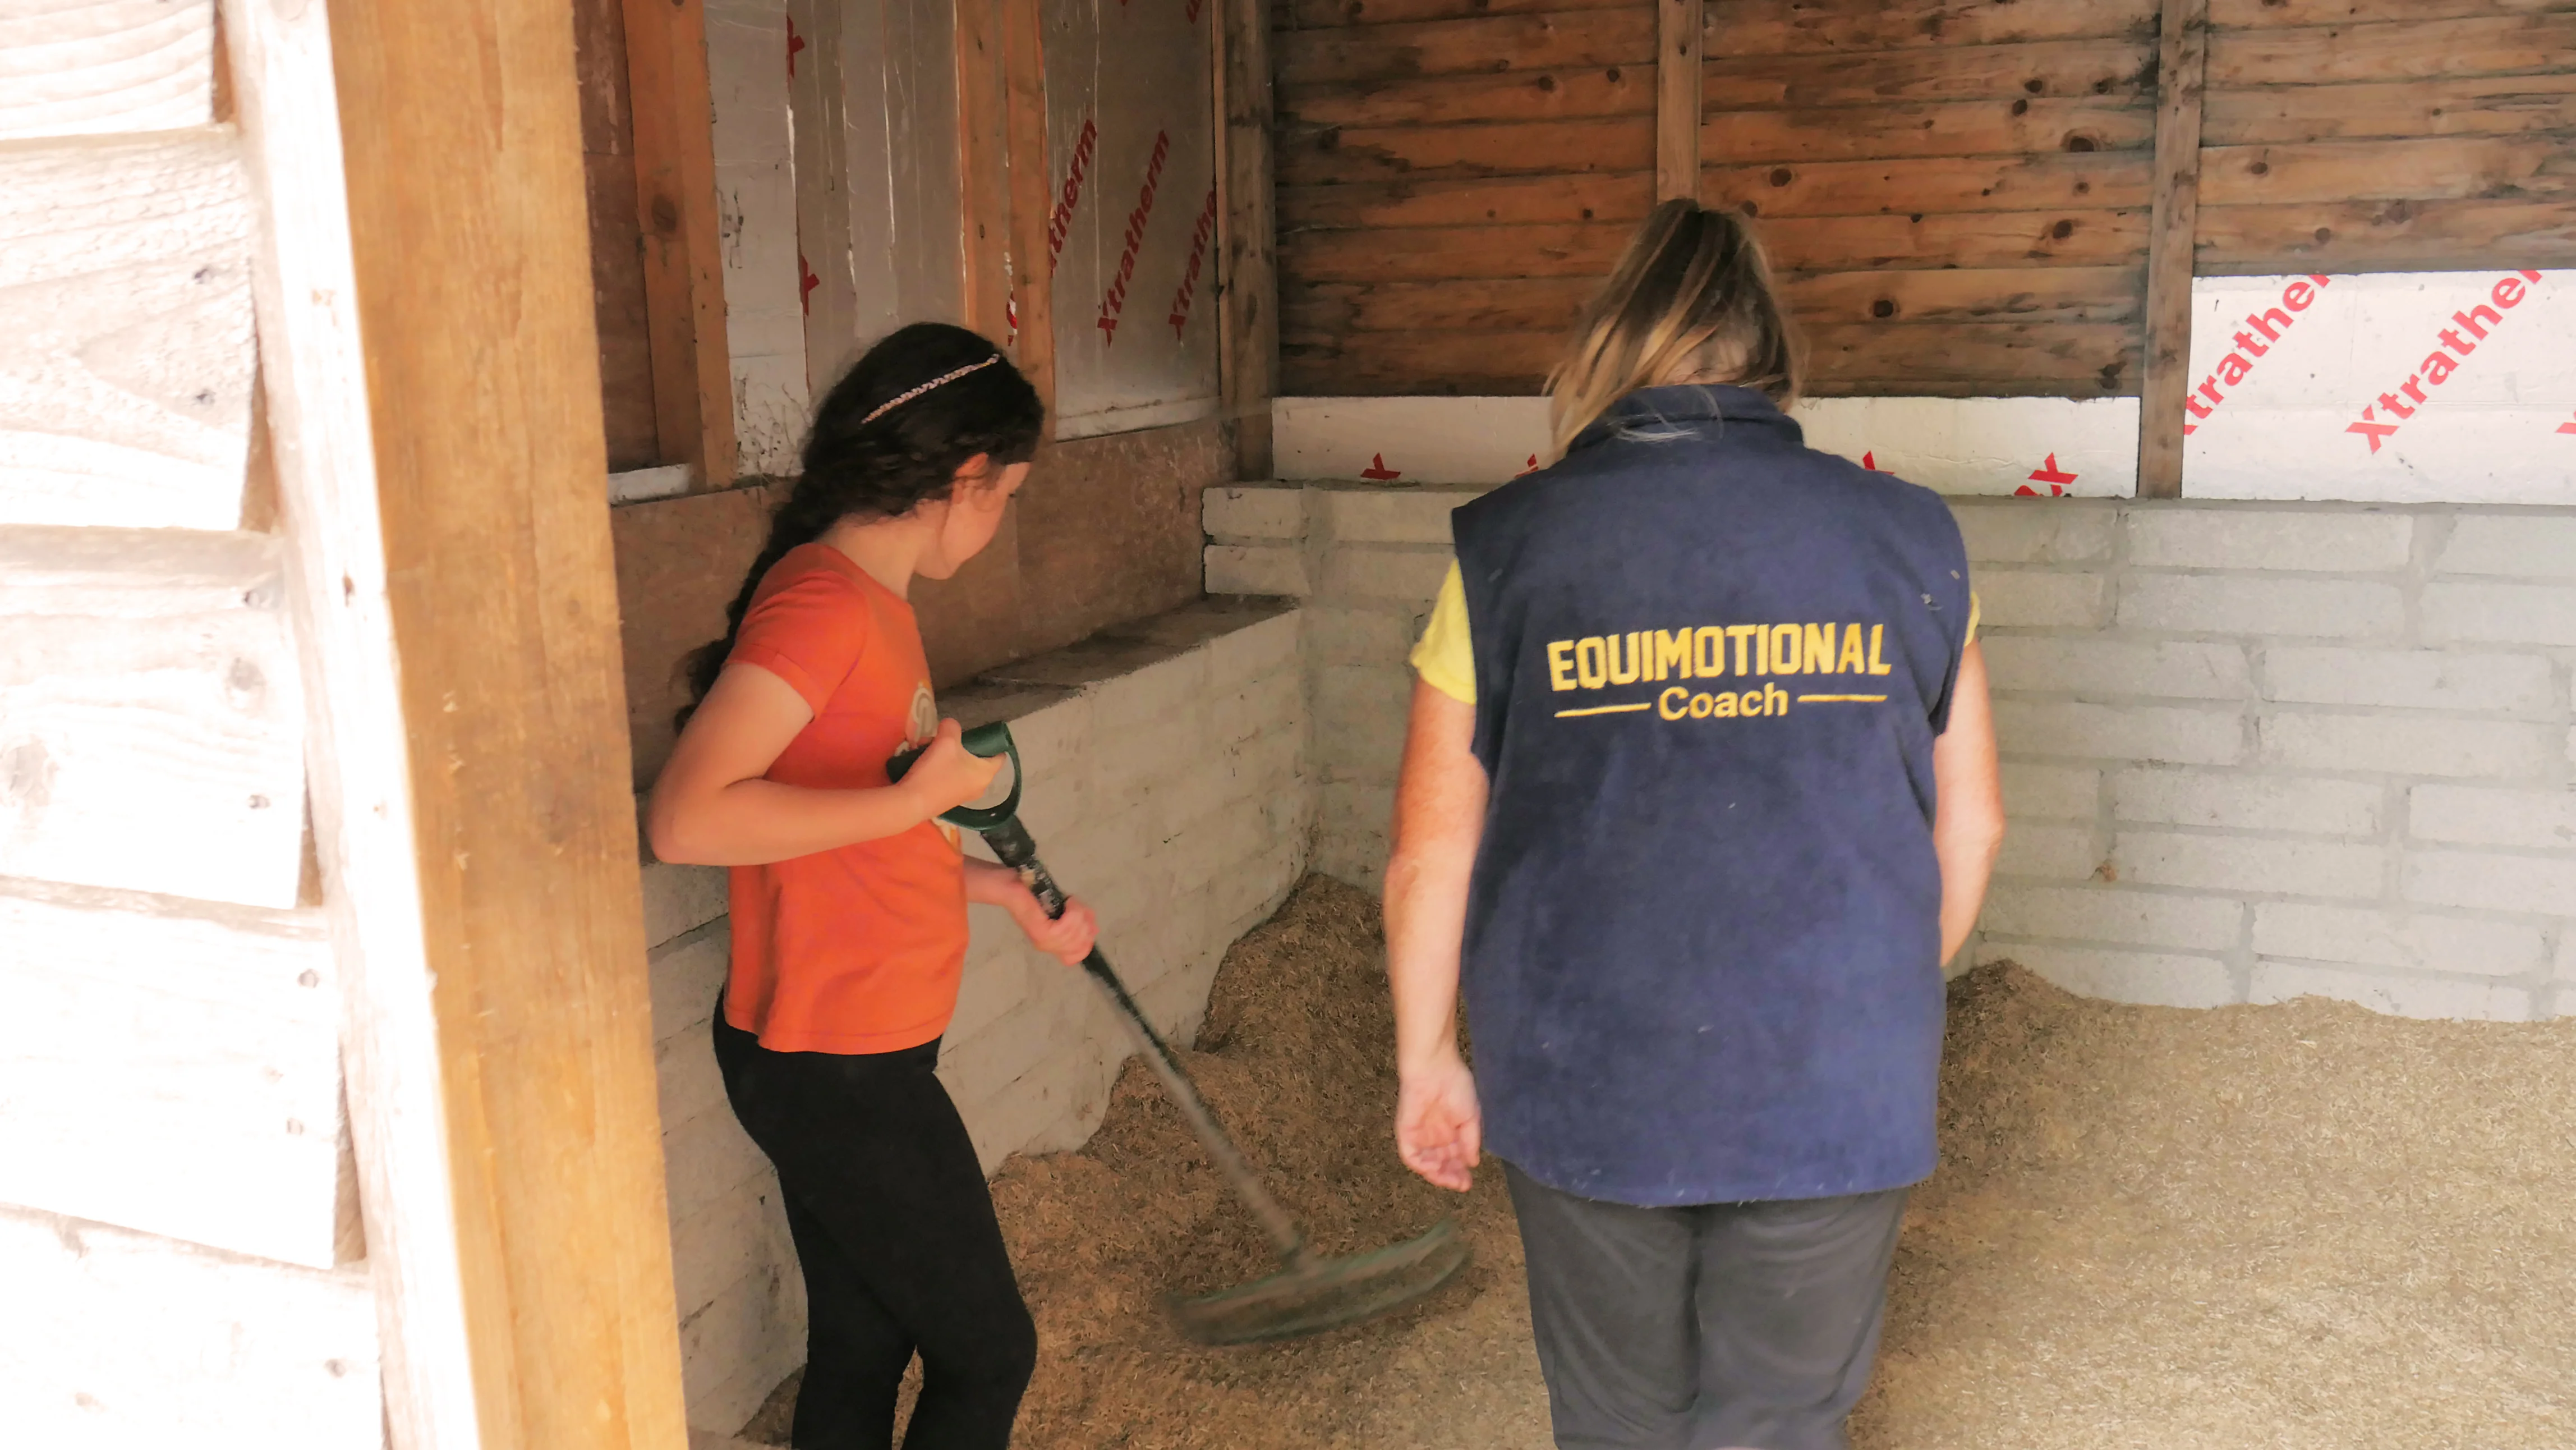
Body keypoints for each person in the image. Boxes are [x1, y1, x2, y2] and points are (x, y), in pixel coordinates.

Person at [1382, 200, 2007, 1450]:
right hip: (1836, 1072)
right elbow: (1974, 823)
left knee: (1618, 1419)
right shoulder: (1910, 535)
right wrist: (1860, 1002)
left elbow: (1429, 850)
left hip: (1583, 1067)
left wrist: (1427, 1054)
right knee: (1781, 1420)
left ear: (1609, 350)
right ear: (1772, 361)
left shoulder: (1508, 545)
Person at [648, 322, 1098, 1450]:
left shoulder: (865, 600)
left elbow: (845, 844)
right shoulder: (828, 606)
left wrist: (996, 891)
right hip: (836, 1061)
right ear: (962, 479)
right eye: (1008, 495)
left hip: (841, 1044)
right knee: (990, 1351)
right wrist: (915, 798)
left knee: (864, 1331)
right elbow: (688, 819)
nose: (1001, 524)